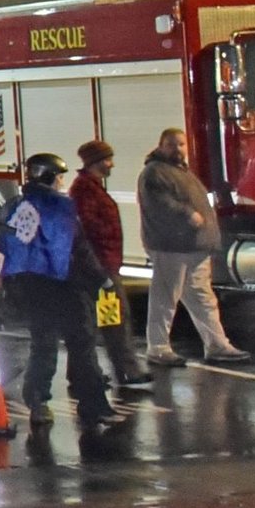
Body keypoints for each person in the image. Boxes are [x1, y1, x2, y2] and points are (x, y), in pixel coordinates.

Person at [0, 153, 127, 433]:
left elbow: (5, 247)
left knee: (43, 345)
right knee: (82, 345)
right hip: (65, 286)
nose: (61, 182)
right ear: (49, 176)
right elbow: (77, 247)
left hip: (31, 287)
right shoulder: (60, 208)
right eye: (59, 176)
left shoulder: (14, 207)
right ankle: (93, 405)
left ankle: (37, 402)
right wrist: (101, 279)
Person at [139, 129, 249, 365]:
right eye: (171, 144)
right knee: (165, 298)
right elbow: (161, 204)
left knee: (202, 298)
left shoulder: (180, 172)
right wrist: (187, 214)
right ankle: (157, 347)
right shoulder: (155, 173)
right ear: (160, 146)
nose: (177, 149)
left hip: (193, 247)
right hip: (172, 247)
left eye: (181, 144)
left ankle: (217, 344)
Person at [70, 141, 151, 390]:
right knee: (114, 318)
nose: (111, 164)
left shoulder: (88, 188)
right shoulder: (86, 190)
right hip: (100, 266)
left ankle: (83, 373)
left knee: (91, 321)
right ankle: (126, 370)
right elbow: (87, 227)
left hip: (99, 264)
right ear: (95, 162)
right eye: (107, 159)